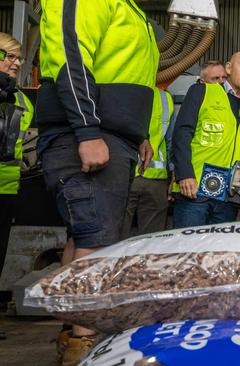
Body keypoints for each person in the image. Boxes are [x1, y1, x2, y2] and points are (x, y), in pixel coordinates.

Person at [36, 0, 158, 364]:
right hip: (85, 133)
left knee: (84, 236)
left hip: (109, 133)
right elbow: (69, 58)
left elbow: (127, 75)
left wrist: (138, 134)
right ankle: (84, 345)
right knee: (96, 239)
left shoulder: (129, 8)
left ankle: (72, 333)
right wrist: (87, 130)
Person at [172, 51, 240, 227]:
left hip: (228, 198)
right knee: (187, 250)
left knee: (216, 253)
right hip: (194, 192)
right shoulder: (202, 92)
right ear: (228, 68)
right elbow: (182, 133)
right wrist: (185, 175)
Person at [0, 32, 34, 283]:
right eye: (10, 56)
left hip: (8, 188)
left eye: (18, 58)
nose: (17, 63)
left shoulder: (22, 100)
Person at [121, 88, 174, 238]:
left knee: (113, 239)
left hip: (130, 174)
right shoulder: (165, 98)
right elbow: (171, 142)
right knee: (150, 242)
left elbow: (170, 141)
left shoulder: (122, 85)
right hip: (145, 179)